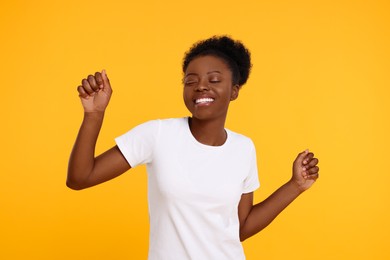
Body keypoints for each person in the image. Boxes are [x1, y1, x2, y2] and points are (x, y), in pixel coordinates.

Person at [67, 36, 319, 260]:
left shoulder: (243, 148)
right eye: (191, 80)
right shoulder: (158, 134)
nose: (200, 86)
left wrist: (294, 186)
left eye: (214, 79)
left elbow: (239, 228)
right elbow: (80, 178)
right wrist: (94, 114)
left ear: (234, 91)